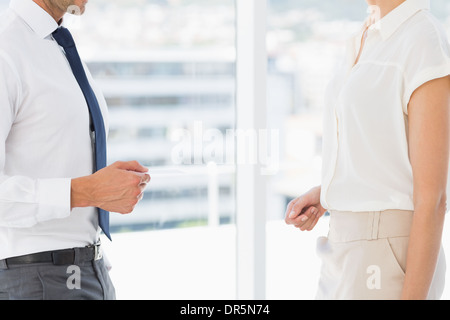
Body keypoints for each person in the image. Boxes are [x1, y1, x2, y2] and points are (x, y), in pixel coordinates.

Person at [285, 0, 450, 300]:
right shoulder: (369, 34)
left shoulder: (421, 39)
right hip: (343, 246)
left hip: (384, 251)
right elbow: (382, 145)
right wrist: (330, 193)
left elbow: (434, 198)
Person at [0, 0, 150, 300]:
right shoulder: (7, 45)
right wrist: (86, 192)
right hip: (35, 277)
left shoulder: (56, 44)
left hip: (86, 272)